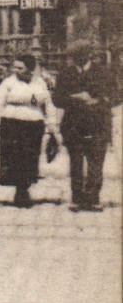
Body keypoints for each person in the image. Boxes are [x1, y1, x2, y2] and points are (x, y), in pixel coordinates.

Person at [0, 54, 60, 208]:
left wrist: (52, 124)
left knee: (30, 157)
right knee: (14, 158)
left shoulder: (39, 83)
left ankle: (25, 189)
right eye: (14, 67)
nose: (16, 70)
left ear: (30, 69)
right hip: (12, 123)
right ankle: (18, 191)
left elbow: (47, 104)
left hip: (34, 124)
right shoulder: (8, 83)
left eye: (20, 68)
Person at [53, 43, 118, 212]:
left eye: (80, 56)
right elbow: (57, 99)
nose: (76, 60)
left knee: (96, 162)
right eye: (74, 57)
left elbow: (117, 95)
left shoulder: (103, 72)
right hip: (74, 125)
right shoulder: (65, 74)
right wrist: (74, 98)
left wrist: (98, 100)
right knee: (75, 162)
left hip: (98, 124)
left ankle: (93, 198)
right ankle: (77, 198)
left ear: (89, 55)